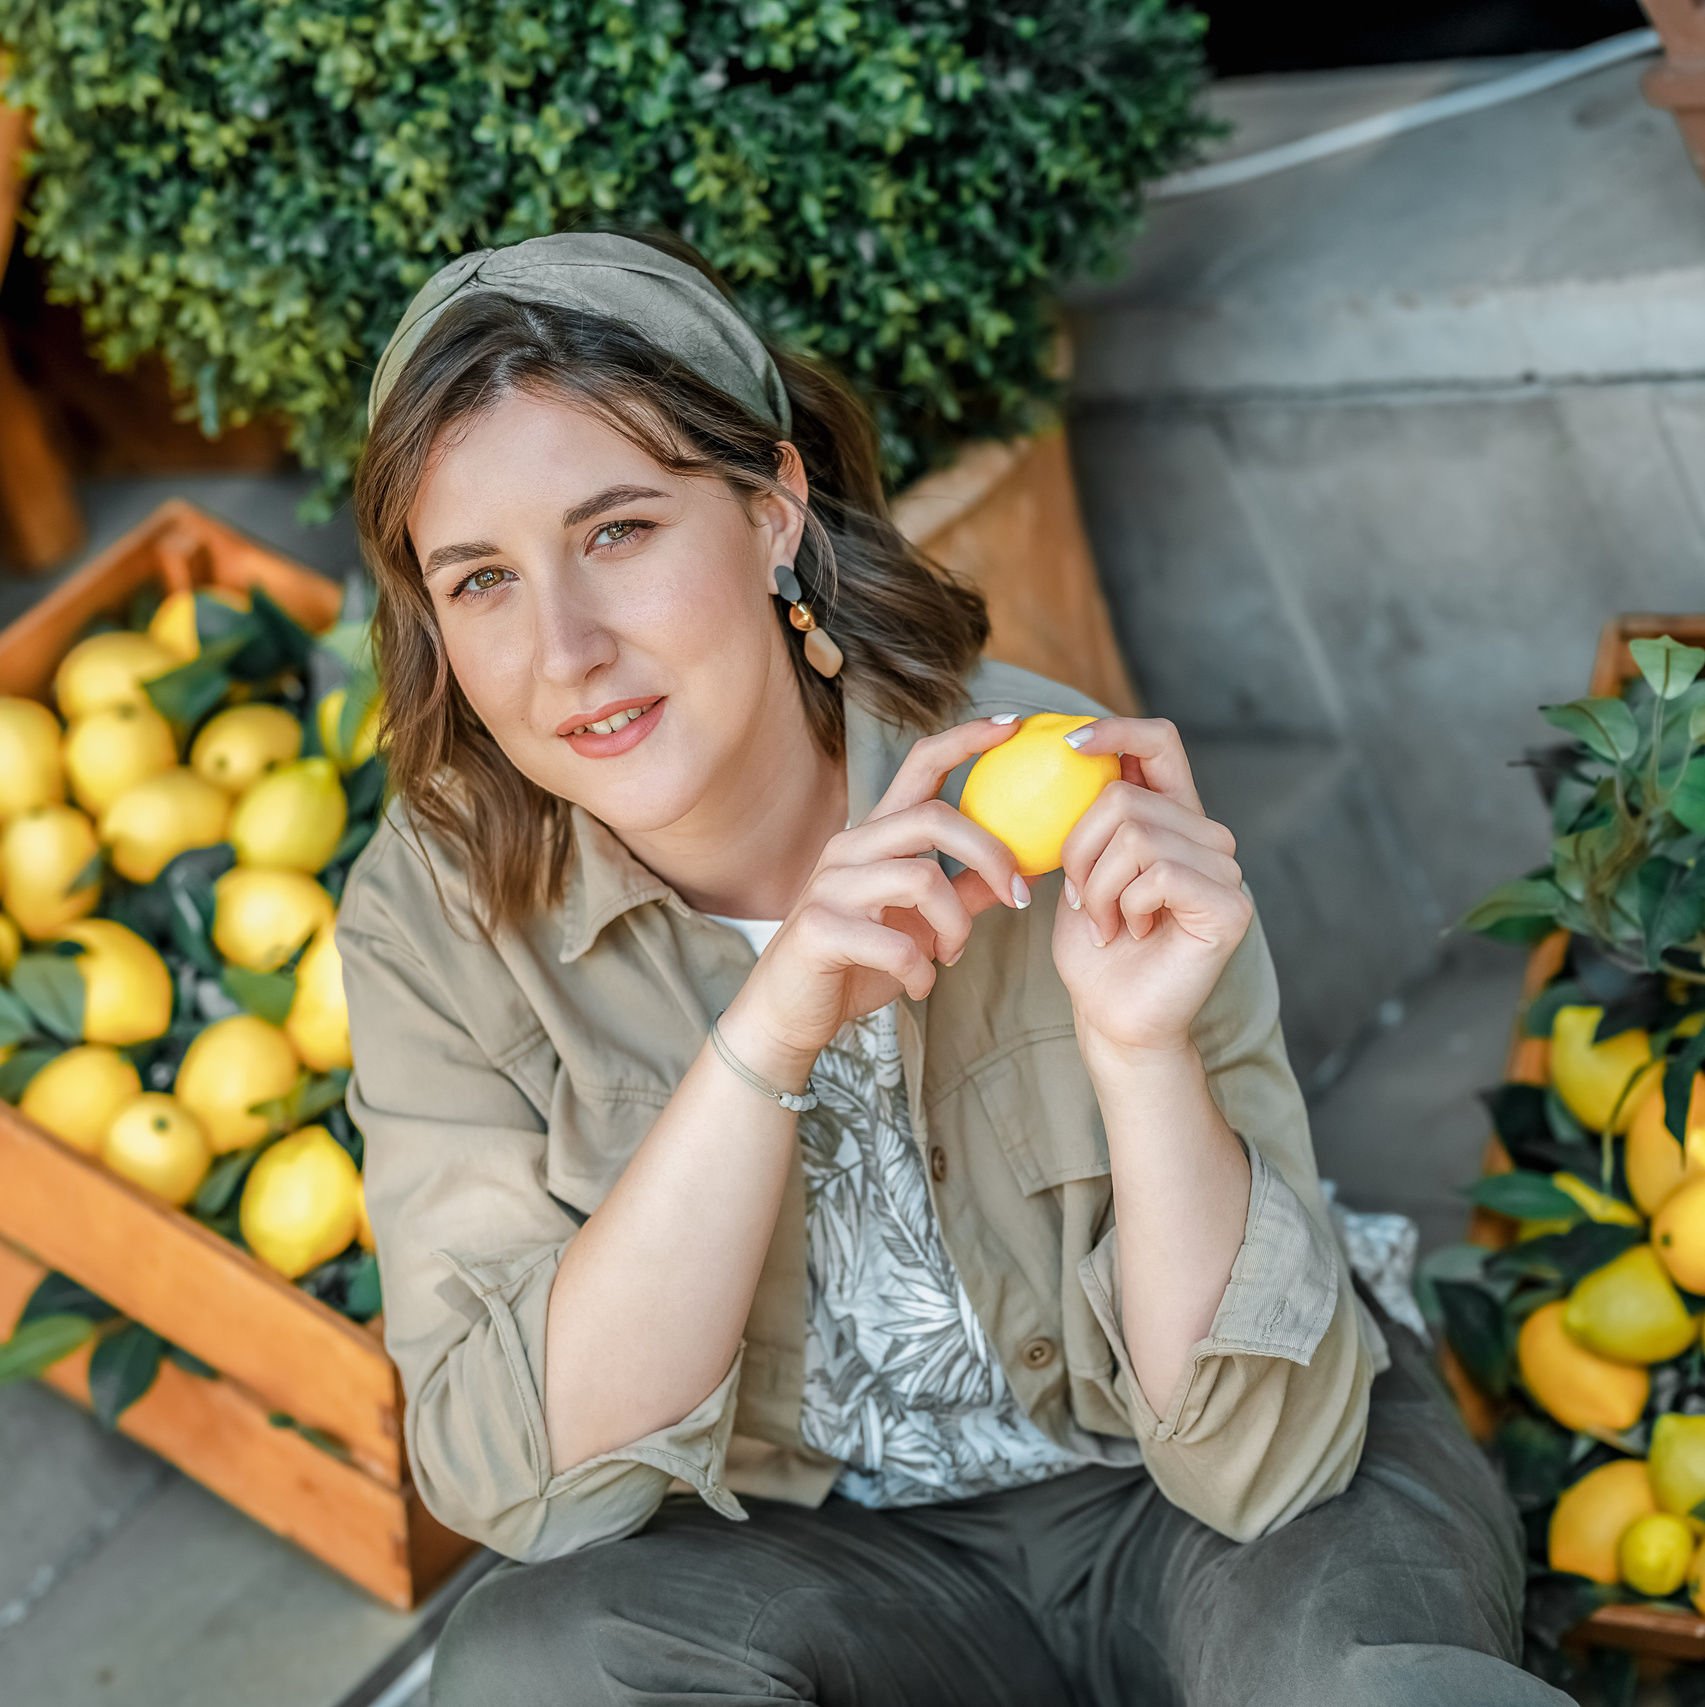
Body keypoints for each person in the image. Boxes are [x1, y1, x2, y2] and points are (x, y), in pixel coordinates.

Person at [336, 231, 1557, 1705]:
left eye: (619, 533)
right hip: (828, 1563)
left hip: (1181, 1500)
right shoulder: (434, 921)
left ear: (775, 510)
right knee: (536, 1673)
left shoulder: (1052, 792)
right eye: (481, 580)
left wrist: (1141, 1056)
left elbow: (1266, 1461)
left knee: (1364, 1685)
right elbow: (517, 1481)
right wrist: (766, 1039)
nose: (564, 651)